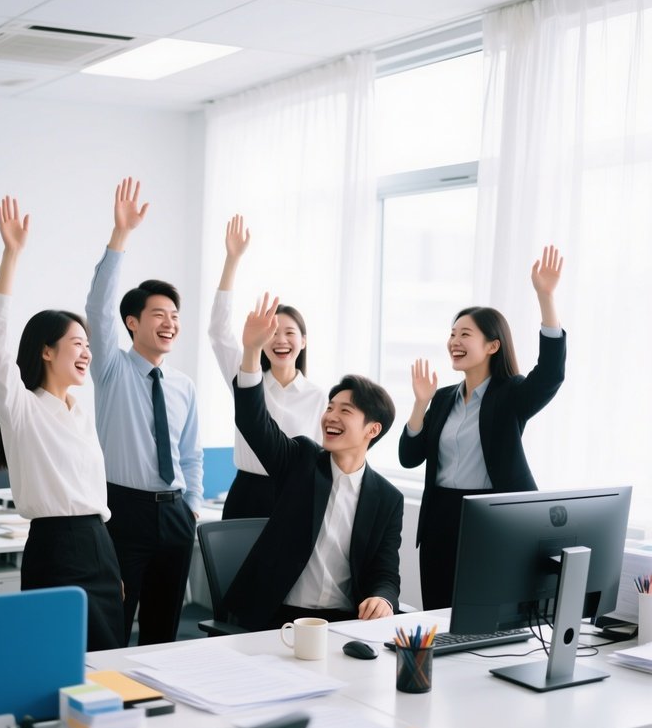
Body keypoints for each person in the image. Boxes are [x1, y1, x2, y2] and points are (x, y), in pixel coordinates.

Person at [0, 196, 124, 651]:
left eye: (88, 344)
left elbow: (94, 498)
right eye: (76, 344)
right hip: (55, 548)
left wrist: (111, 565)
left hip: (99, 544)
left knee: (110, 660)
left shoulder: (80, 413)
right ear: (46, 350)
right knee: (59, 659)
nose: (86, 352)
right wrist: (11, 255)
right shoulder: (21, 408)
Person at [223, 293, 403, 631]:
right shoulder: (301, 460)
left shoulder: (387, 499)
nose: (330, 416)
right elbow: (253, 423)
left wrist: (383, 597)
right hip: (278, 617)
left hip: (343, 624)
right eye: (330, 407)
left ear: (372, 429)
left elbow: (385, 571)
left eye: (345, 411)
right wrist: (249, 351)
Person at [399, 245, 566, 610]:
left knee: (485, 614)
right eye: (452, 334)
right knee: (440, 617)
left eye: (465, 335)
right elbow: (409, 458)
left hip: (490, 516)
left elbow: (552, 374)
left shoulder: (511, 395)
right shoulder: (442, 398)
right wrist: (420, 403)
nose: (454, 342)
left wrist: (545, 297)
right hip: (441, 519)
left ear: (493, 345)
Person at [85, 177, 203, 646]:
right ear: (132, 322)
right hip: (123, 511)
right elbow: (97, 307)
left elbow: (191, 456)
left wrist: (191, 507)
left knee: (164, 627)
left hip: (175, 515)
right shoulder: (111, 369)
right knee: (113, 622)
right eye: (159, 314)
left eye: (175, 316)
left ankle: (158, 708)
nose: (170, 323)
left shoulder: (182, 385)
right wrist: (121, 236)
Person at [208, 214, 326, 519]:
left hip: (296, 496)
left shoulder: (319, 397)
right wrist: (232, 260)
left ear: (304, 341)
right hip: (247, 492)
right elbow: (219, 331)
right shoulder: (247, 378)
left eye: (289, 333)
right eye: (273, 332)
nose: (280, 340)